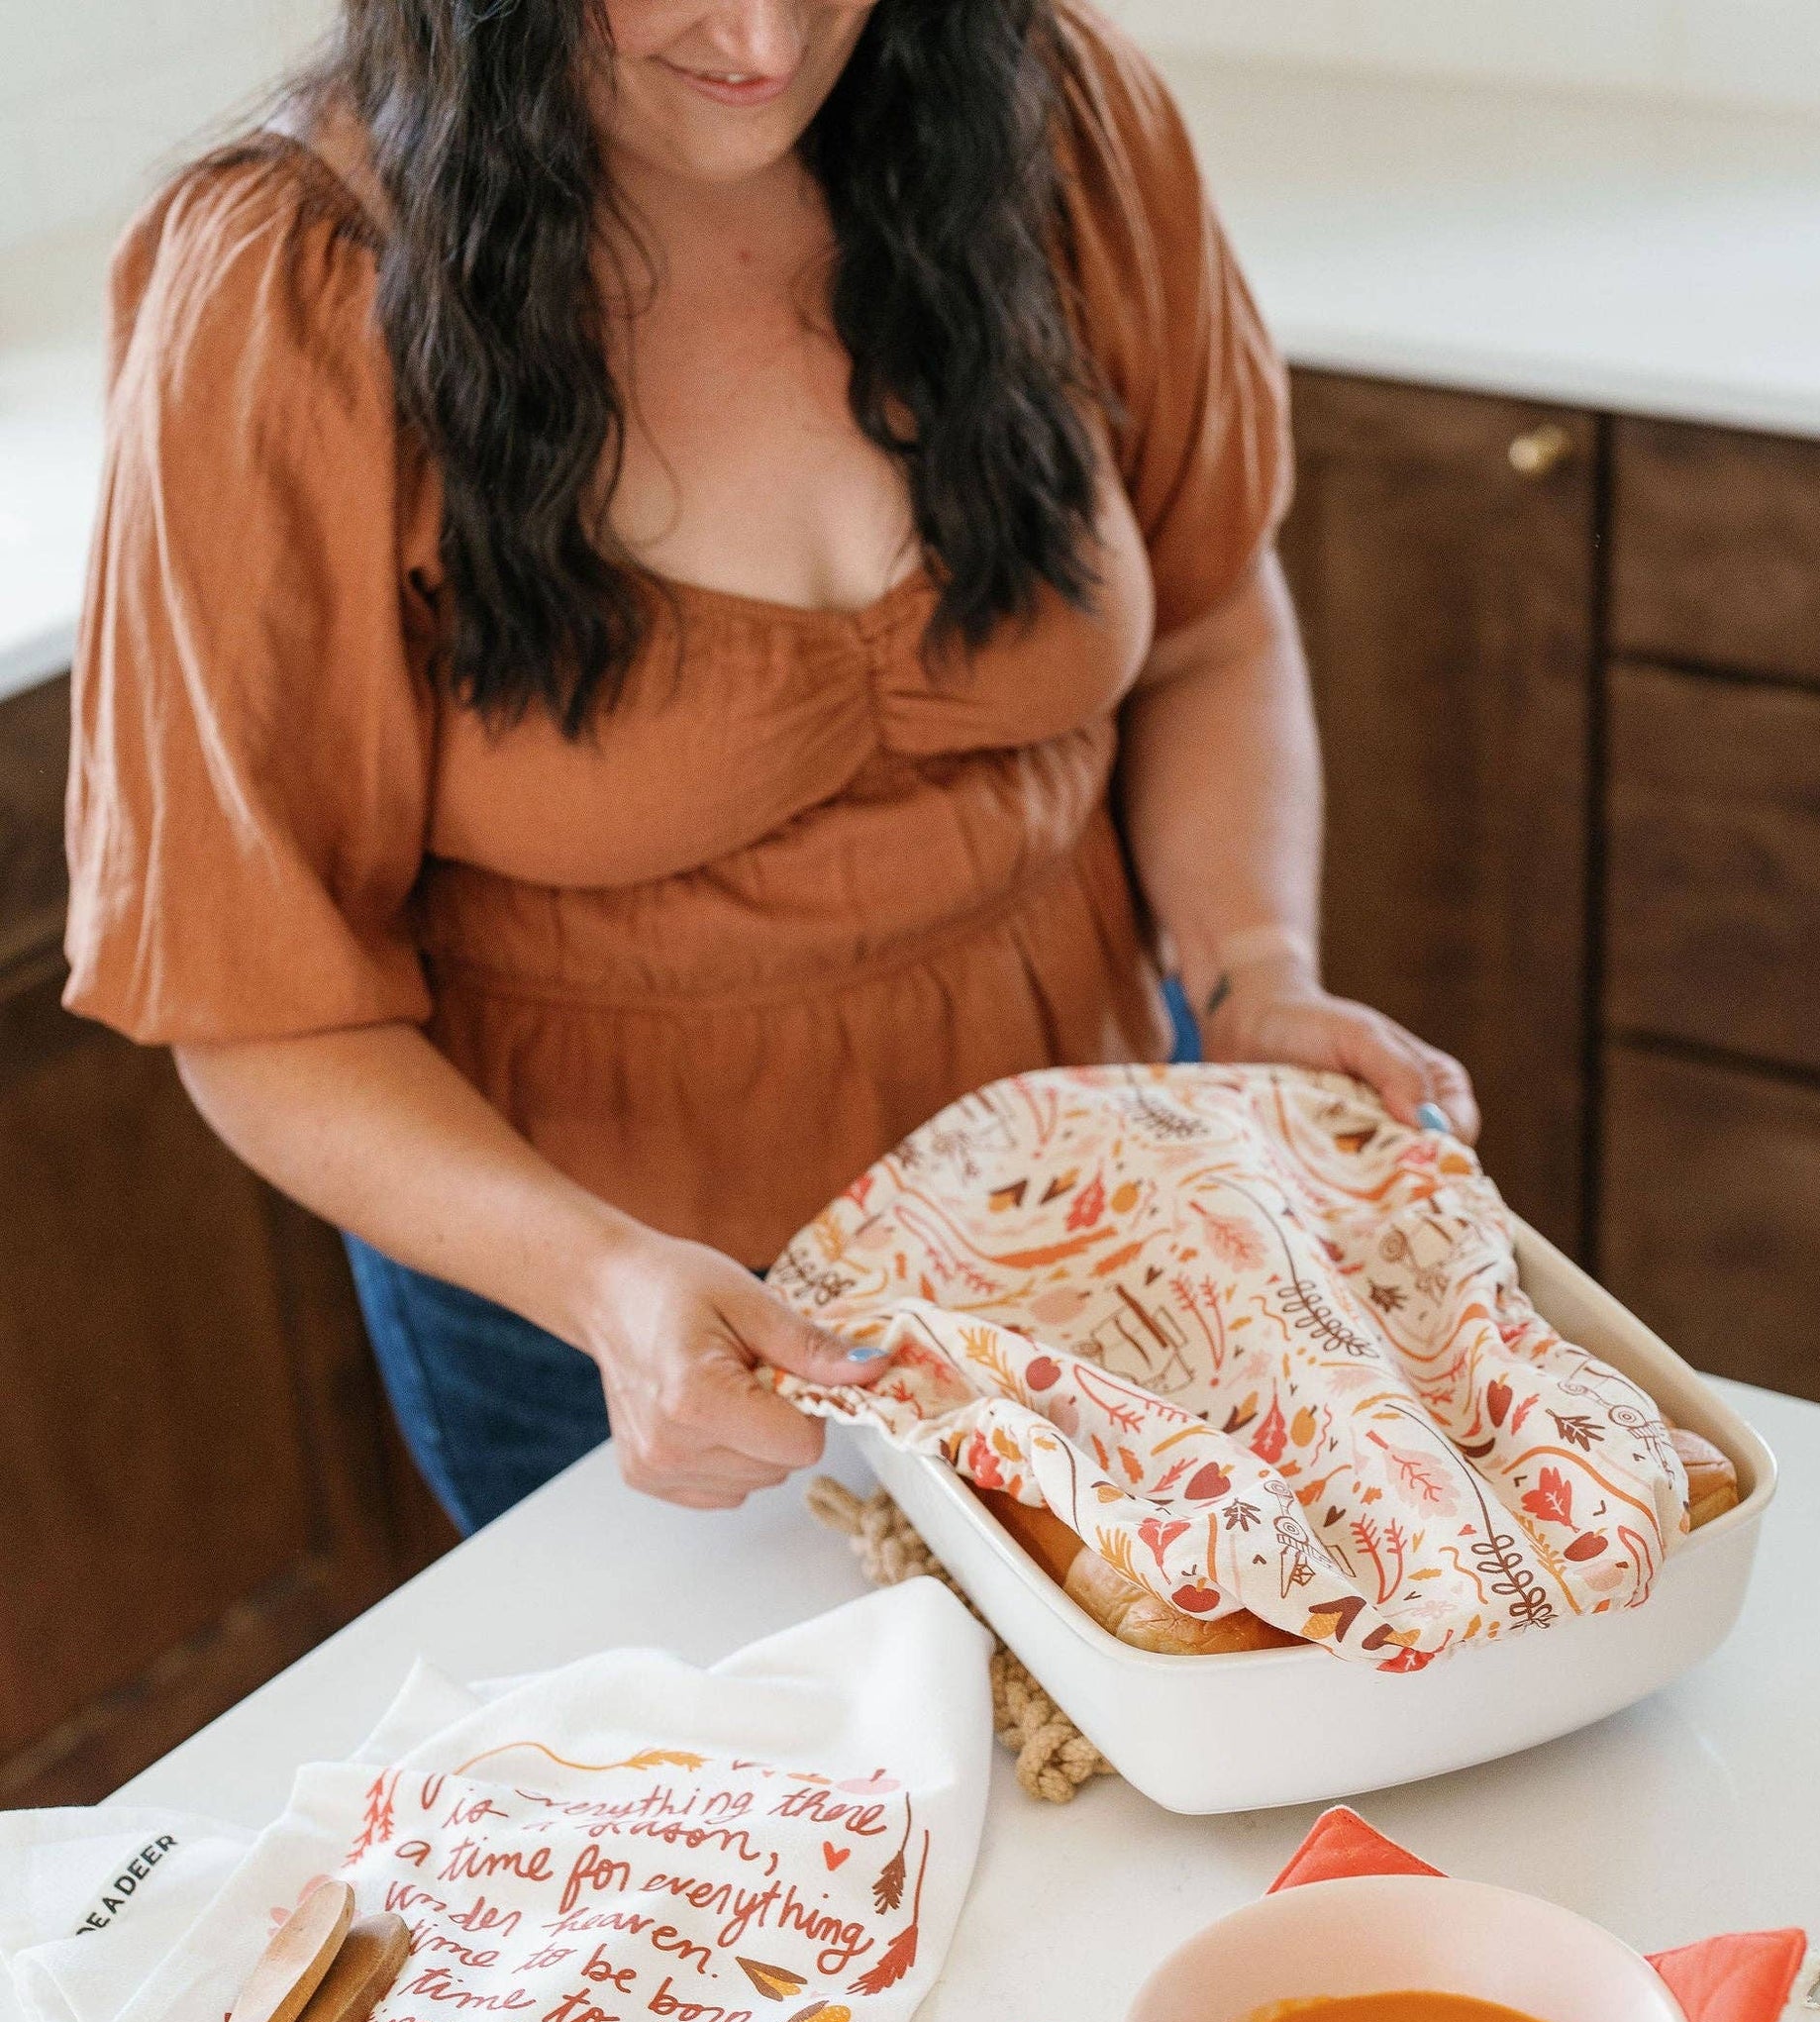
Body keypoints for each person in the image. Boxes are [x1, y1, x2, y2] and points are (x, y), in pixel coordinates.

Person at [63, 0, 1477, 1534]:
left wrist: (1254, 968)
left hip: (1113, 1214)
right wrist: (605, 1286)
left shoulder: (1052, 109)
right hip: (623, 1329)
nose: (761, 35)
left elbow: (1205, 627)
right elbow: (255, 1004)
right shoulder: (289, 286)